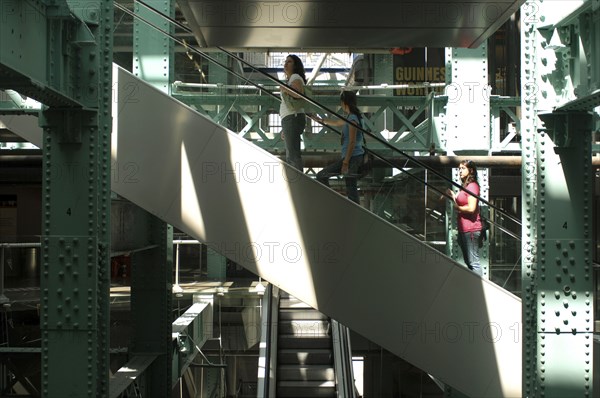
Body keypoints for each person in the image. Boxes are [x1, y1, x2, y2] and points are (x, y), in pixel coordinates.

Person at [313, 91, 365, 204]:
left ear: (344, 103)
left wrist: (346, 162)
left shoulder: (352, 119)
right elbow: (336, 123)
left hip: (352, 157)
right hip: (353, 156)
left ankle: (334, 202)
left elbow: (352, 141)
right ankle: (351, 209)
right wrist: (321, 120)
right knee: (350, 185)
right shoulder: (353, 117)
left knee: (324, 176)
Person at [446, 160, 483, 276]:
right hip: (464, 229)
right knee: (469, 261)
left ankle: (479, 288)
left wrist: (458, 208)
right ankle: (475, 287)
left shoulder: (472, 186)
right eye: (459, 168)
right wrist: (453, 196)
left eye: (463, 168)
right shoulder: (466, 186)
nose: (460, 171)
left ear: (471, 170)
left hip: (471, 229)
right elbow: (462, 202)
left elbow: (471, 208)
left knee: (473, 262)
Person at [279, 54, 307, 171]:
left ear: (295, 66)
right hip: (290, 119)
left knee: (292, 156)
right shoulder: (292, 78)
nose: (285, 64)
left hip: (292, 118)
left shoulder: (295, 76)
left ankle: (298, 184)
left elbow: (298, 93)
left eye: (289, 62)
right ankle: (297, 183)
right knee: (291, 154)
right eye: (285, 61)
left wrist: (283, 88)